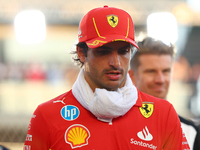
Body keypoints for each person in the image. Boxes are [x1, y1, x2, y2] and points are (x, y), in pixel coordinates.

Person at [24, 6, 190, 150]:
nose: (116, 62)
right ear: (82, 53)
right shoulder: (47, 116)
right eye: (103, 51)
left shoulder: (163, 114)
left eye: (124, 51)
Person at [129, 36, 200, 150]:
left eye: (166, 71)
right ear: (132, 76)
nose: (160, 80)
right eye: (151, 71)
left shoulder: (191, 131)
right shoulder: (118, 124)